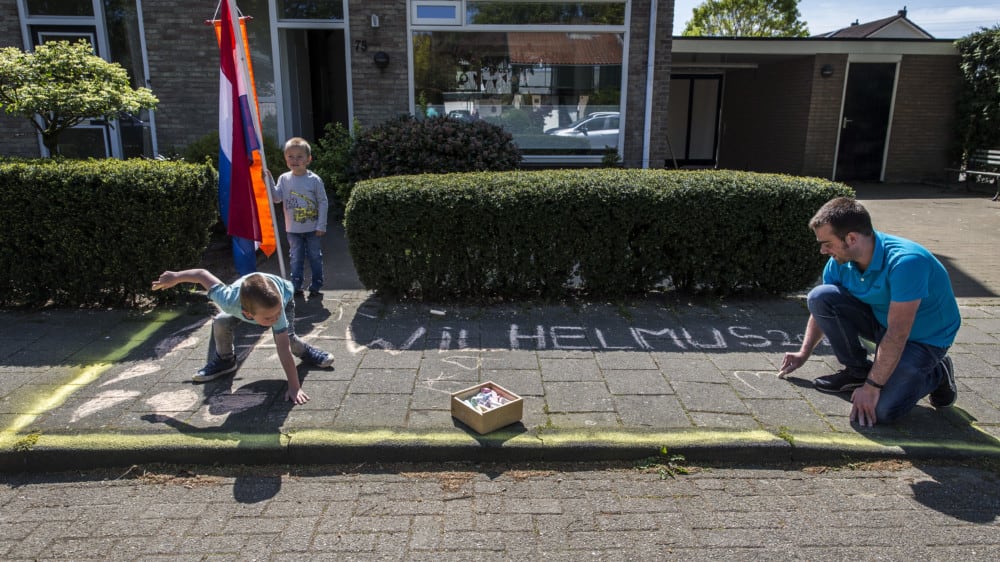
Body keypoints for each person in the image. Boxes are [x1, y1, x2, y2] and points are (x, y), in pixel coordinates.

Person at [779, 197, 961, 426]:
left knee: (882, 411)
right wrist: (803, 353)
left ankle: (938, 373)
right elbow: (821, 308)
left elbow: (898, 333)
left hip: (924, 339)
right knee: (820, 295)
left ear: (852, 238)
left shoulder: (906, 263)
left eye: (827, 243)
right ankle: (857, 371)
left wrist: (872, 387)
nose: (822, 250)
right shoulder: (841, 260)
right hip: (881, 321)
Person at [151, 269, 334, 405]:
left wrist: (294, 387)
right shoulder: (228, 300)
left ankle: (307, 352)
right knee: (221, 322)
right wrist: (176, 277)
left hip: (282, 299)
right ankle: (225, 360)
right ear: (247, 314)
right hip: (249, 299)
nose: (274, 319)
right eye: (268, 318)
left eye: (274, 315)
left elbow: (282, 349)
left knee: (288, 339)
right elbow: (201, 274)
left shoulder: (278, 312)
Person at [273, 137, 328, 299]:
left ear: (308, 159)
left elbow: (323, 202)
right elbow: (276, 197)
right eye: (290, 156)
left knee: (314, 257)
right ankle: (295, 285)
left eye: (299, 156)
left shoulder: (314, 180)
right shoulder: (284, 179)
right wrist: (267, 179)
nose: (295, 160)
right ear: (285, 158)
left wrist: (321, 225)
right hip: (293, 229)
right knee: (295, 257)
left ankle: (316, 284)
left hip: (312, 229)